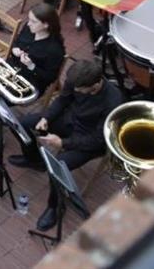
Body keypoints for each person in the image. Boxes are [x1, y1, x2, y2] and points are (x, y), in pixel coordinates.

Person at [9, 59, 123, 232]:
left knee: (60, 164)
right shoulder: (76, 79)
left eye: (80, 90)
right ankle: (34, 160)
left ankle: (55, 207)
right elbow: (62, 100)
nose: (76, 91)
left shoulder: (114, 101)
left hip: (89, 139)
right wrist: (46, 118)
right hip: (70, 120)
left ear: (96, 84)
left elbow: (99, 139)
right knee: (25, 123)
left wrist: (62, 143)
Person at [0, 3, 65, 160]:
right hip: (9, 71)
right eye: (29, 20)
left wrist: (31, 66)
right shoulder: (29, 29)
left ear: (46, 24)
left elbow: (49, 78)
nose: (28, 24)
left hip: (29, 84)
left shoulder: (55, 50)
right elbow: (17, 44)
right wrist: (15, 50)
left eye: (33, 21)